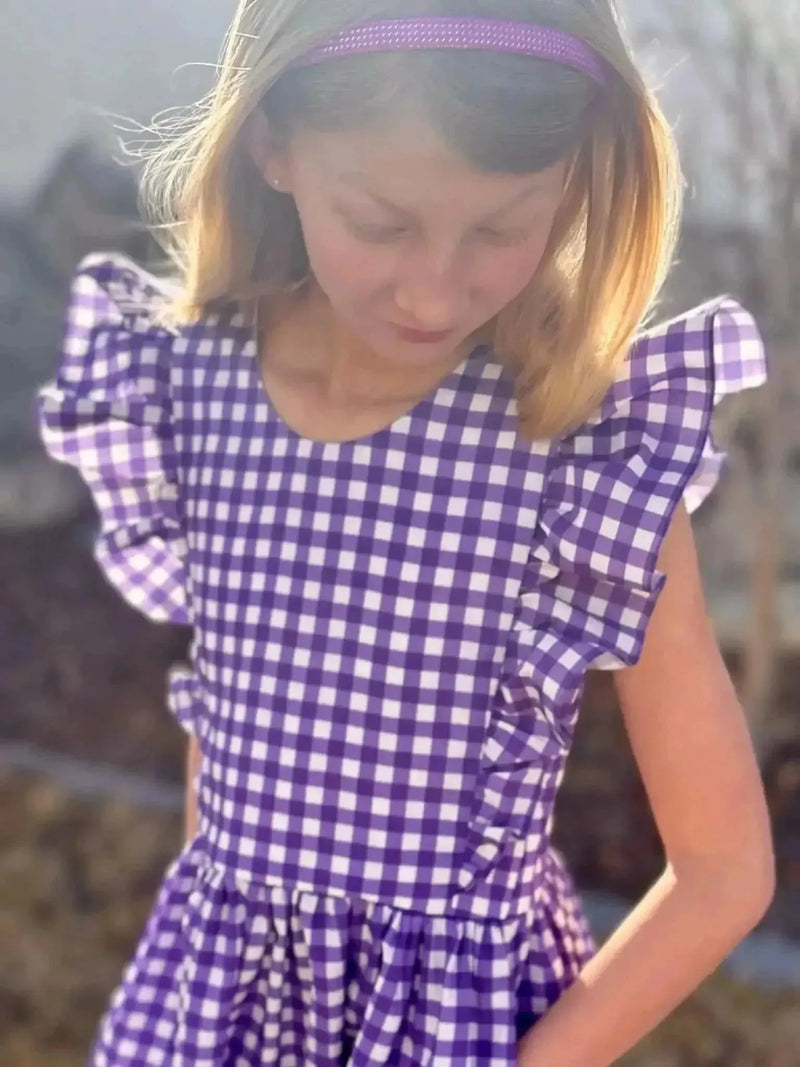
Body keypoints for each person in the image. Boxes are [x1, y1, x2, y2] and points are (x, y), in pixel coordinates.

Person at [36, 2, 776, 1064]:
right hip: (213, 1014)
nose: (435, 289)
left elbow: (721, 870)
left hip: (452, 1034)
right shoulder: (185, 385)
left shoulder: (580, 454)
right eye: (381, 222)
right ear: (272, 143)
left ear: (574, 179)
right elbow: (230, 712)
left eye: (498, 228)